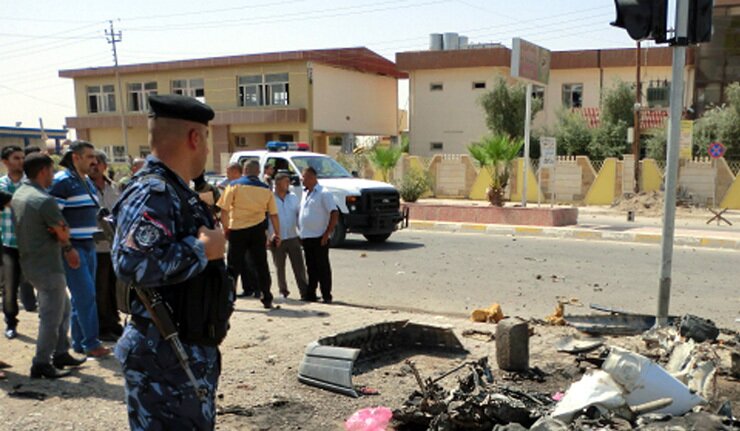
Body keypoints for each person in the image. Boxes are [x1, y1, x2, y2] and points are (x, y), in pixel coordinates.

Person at [112, 94, 230, 430]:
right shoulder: (155, 191)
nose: (206, 149)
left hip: (179, 350)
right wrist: (201, 249)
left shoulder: (177, 191)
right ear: (195, 137)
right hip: (165, 354)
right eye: (206, 139)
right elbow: (131, 263)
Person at [12, 153, 86, 379]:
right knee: (51, 317)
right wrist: (68, 247)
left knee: (63, 309)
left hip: (32, 262)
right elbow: (62, 231)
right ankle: (41, 363)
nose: (53, 175)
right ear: (43, 171)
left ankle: (61, 353)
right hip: (47, 265)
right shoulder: (43, 200)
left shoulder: (20, 194)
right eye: (51, 171)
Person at [49, 141, 110, 358]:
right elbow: (54, 219)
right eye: (89, 156)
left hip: (88, 245)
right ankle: (91, 343)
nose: (94, 161)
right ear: (75, 157)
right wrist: (66, 248)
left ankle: (79, 342)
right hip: (72, 248)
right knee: (86, 296)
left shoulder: (86, 182)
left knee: (82, 297)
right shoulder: (62, 182)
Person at [217, 160, 280, 308]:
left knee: (233, 267)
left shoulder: (233, 186)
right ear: (258, 172)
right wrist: (278, 233)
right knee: (261, 265)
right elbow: (274, 214)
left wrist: (225, 228)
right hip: (258, 230)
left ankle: (229, 299)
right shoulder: (266, 189)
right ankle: (267, 297)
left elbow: (224, 210)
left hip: (237, 230)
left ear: (244, 170)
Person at [1, 146, 38, 339]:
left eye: (23, 158)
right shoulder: (2, 184)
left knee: (45, 284)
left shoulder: (32, 184)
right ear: (5, 162)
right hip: (9, 244)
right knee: (10, 288)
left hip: (33, 244)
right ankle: (11, 323)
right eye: (16, 158)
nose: (21, 161)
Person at [90, 150, 122, 341]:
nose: (94, 167)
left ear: (104, 166)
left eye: (97, 163)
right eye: (91, 164)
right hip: (97, 247)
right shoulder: (86, 188)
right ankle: (102, 327)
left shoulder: (115, 187)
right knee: (100, 288)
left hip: (114, 245)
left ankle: (113, 322)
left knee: (113, 287)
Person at [299, 166, 338, 303]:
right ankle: (311, 293)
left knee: (322, 267)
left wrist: (327, 234)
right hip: (307, 236)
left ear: (311, 177)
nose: (302, 179)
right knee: (311, 267)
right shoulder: (305, 193)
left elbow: (334, 213)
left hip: (320, 237)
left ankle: (327, 295)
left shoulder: (323, 193)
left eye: (304, 177)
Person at [269, 172, 307, 298]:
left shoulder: (293, 197)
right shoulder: (270, 198)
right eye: (285, 182)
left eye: (288, 182)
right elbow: (266, 219)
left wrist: (301, 232)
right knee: (279, 267)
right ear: (277, 183)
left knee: (299, 266)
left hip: (292, 236)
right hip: (277, 238)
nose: (288, 184)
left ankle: (304, 291)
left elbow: (298, 216)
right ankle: (283, 291)